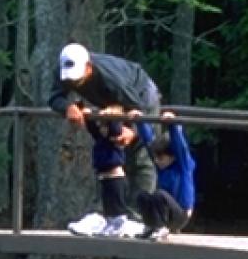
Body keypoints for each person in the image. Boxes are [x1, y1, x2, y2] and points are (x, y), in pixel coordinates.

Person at [50, 43, 162, 238]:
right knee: (108, 156)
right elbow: (54, 98)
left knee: (141, 155)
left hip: (140, 94)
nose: (72, 83)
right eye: (69, 79)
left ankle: (138, 218)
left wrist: (133, 131)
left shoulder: (111, 78)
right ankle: (107, 214)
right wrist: (67, 107)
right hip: (111, 104)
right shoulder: (63, 70)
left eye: (77, 78)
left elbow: (137, 104)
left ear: (88, 68)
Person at [65, 109, 155, 238]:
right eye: (102, 127)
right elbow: (93, 129)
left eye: (105, 127)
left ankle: (121, 225)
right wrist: (88, 114)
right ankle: (110, 224)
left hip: (115, 179)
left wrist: (112, 116)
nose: (103, 130)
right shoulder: (100, 139)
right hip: (104, 178)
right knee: (108, 206)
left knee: (117, 206)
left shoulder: (115, 139)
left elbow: (115, 127)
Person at [135, 113, 195, 242]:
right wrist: (140, 121)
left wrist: (172, 125)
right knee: (142, 196)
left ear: (172, 157)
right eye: (156, 158)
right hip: (165, 212)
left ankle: (160, 227)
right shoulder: (161, 166)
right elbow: (148, 141)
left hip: (181, 214)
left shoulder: (183, 166)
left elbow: (180, 147)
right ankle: (150, 226)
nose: (156, 161)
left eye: (160, 158)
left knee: (160, 195)